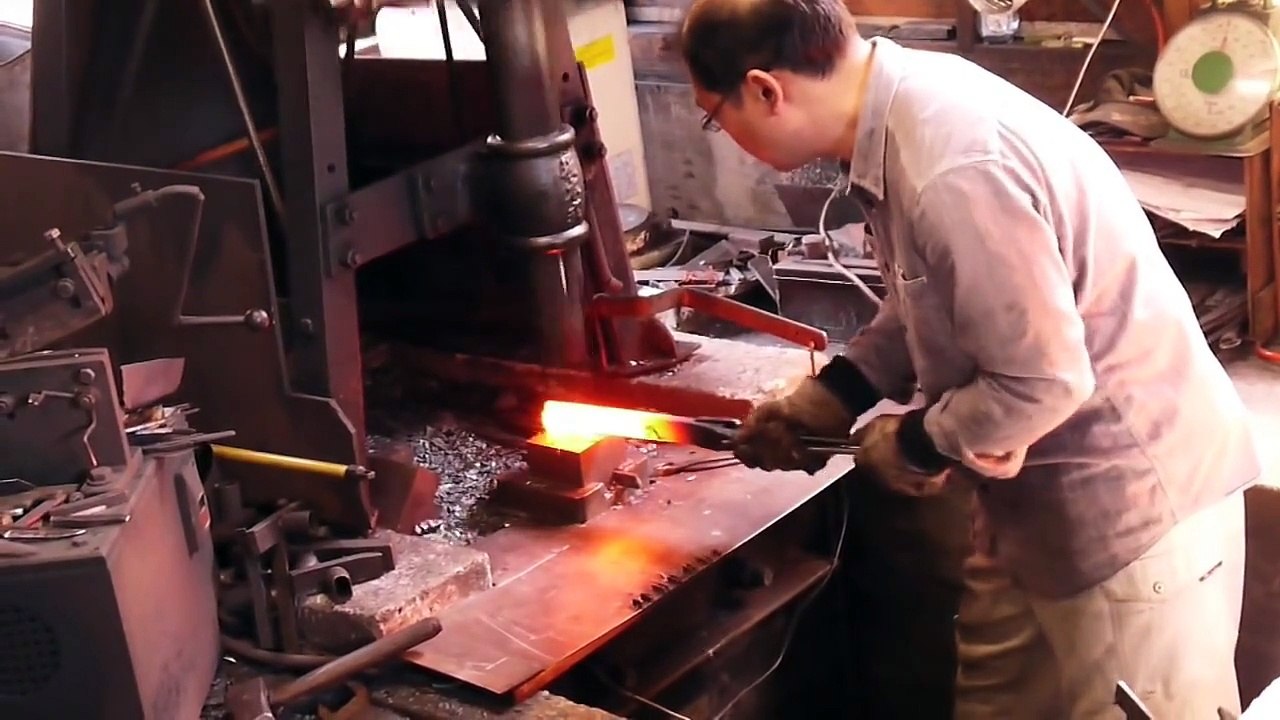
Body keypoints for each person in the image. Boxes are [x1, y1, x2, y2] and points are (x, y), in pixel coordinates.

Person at [679, 1, 1261, 717]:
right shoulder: (898, 113)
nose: (725, 137)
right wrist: (837, 394)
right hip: (1030, 513)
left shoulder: (950, 160)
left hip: (1134, 511)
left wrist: (918, 443)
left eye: (715, 116)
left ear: (766, 90)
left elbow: (1044, 381)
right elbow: (930, 294)